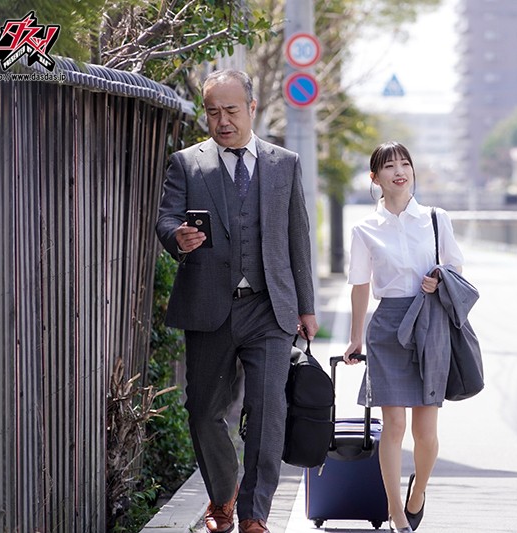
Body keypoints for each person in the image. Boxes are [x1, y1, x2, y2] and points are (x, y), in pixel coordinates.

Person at [156, 69, 318, 533]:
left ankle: (254, 514)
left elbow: (297, 238)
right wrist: (177, 237)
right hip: (209, 305)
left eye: (230, 110)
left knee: (270, 412)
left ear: (251, 107)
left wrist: (306, 308)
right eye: (212, 112)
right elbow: (166, 220)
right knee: (203, 410)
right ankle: (223, 493)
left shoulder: (283, 163)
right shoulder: (187, 163)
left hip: (270, 306)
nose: (222, 120)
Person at [343, 141, 464, 532]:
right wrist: (355, 337)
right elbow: (360, 285)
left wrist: (440, 277)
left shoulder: (434, 218)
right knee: (393, 427)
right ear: (374, 178)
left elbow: (456, 265)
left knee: (425, 432)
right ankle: (396, 513)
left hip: (430, 324)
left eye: (405, 163)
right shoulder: (364, 229)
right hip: (387, 328)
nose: (400, 170)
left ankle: (418, 492)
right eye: (389, 165)